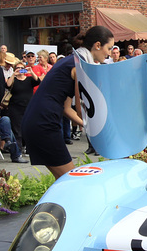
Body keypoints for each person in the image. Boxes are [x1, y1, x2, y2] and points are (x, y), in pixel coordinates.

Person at [22, 26, 113, 179]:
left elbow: (66, 108)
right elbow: (80, 109)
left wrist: (86, 124)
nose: (109, 53)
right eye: (109, 48)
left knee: (64, 180)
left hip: (34, 121)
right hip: (44, 123)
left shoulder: (71, 60)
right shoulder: (79, 66)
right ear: (97, 45)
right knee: (72, 181)